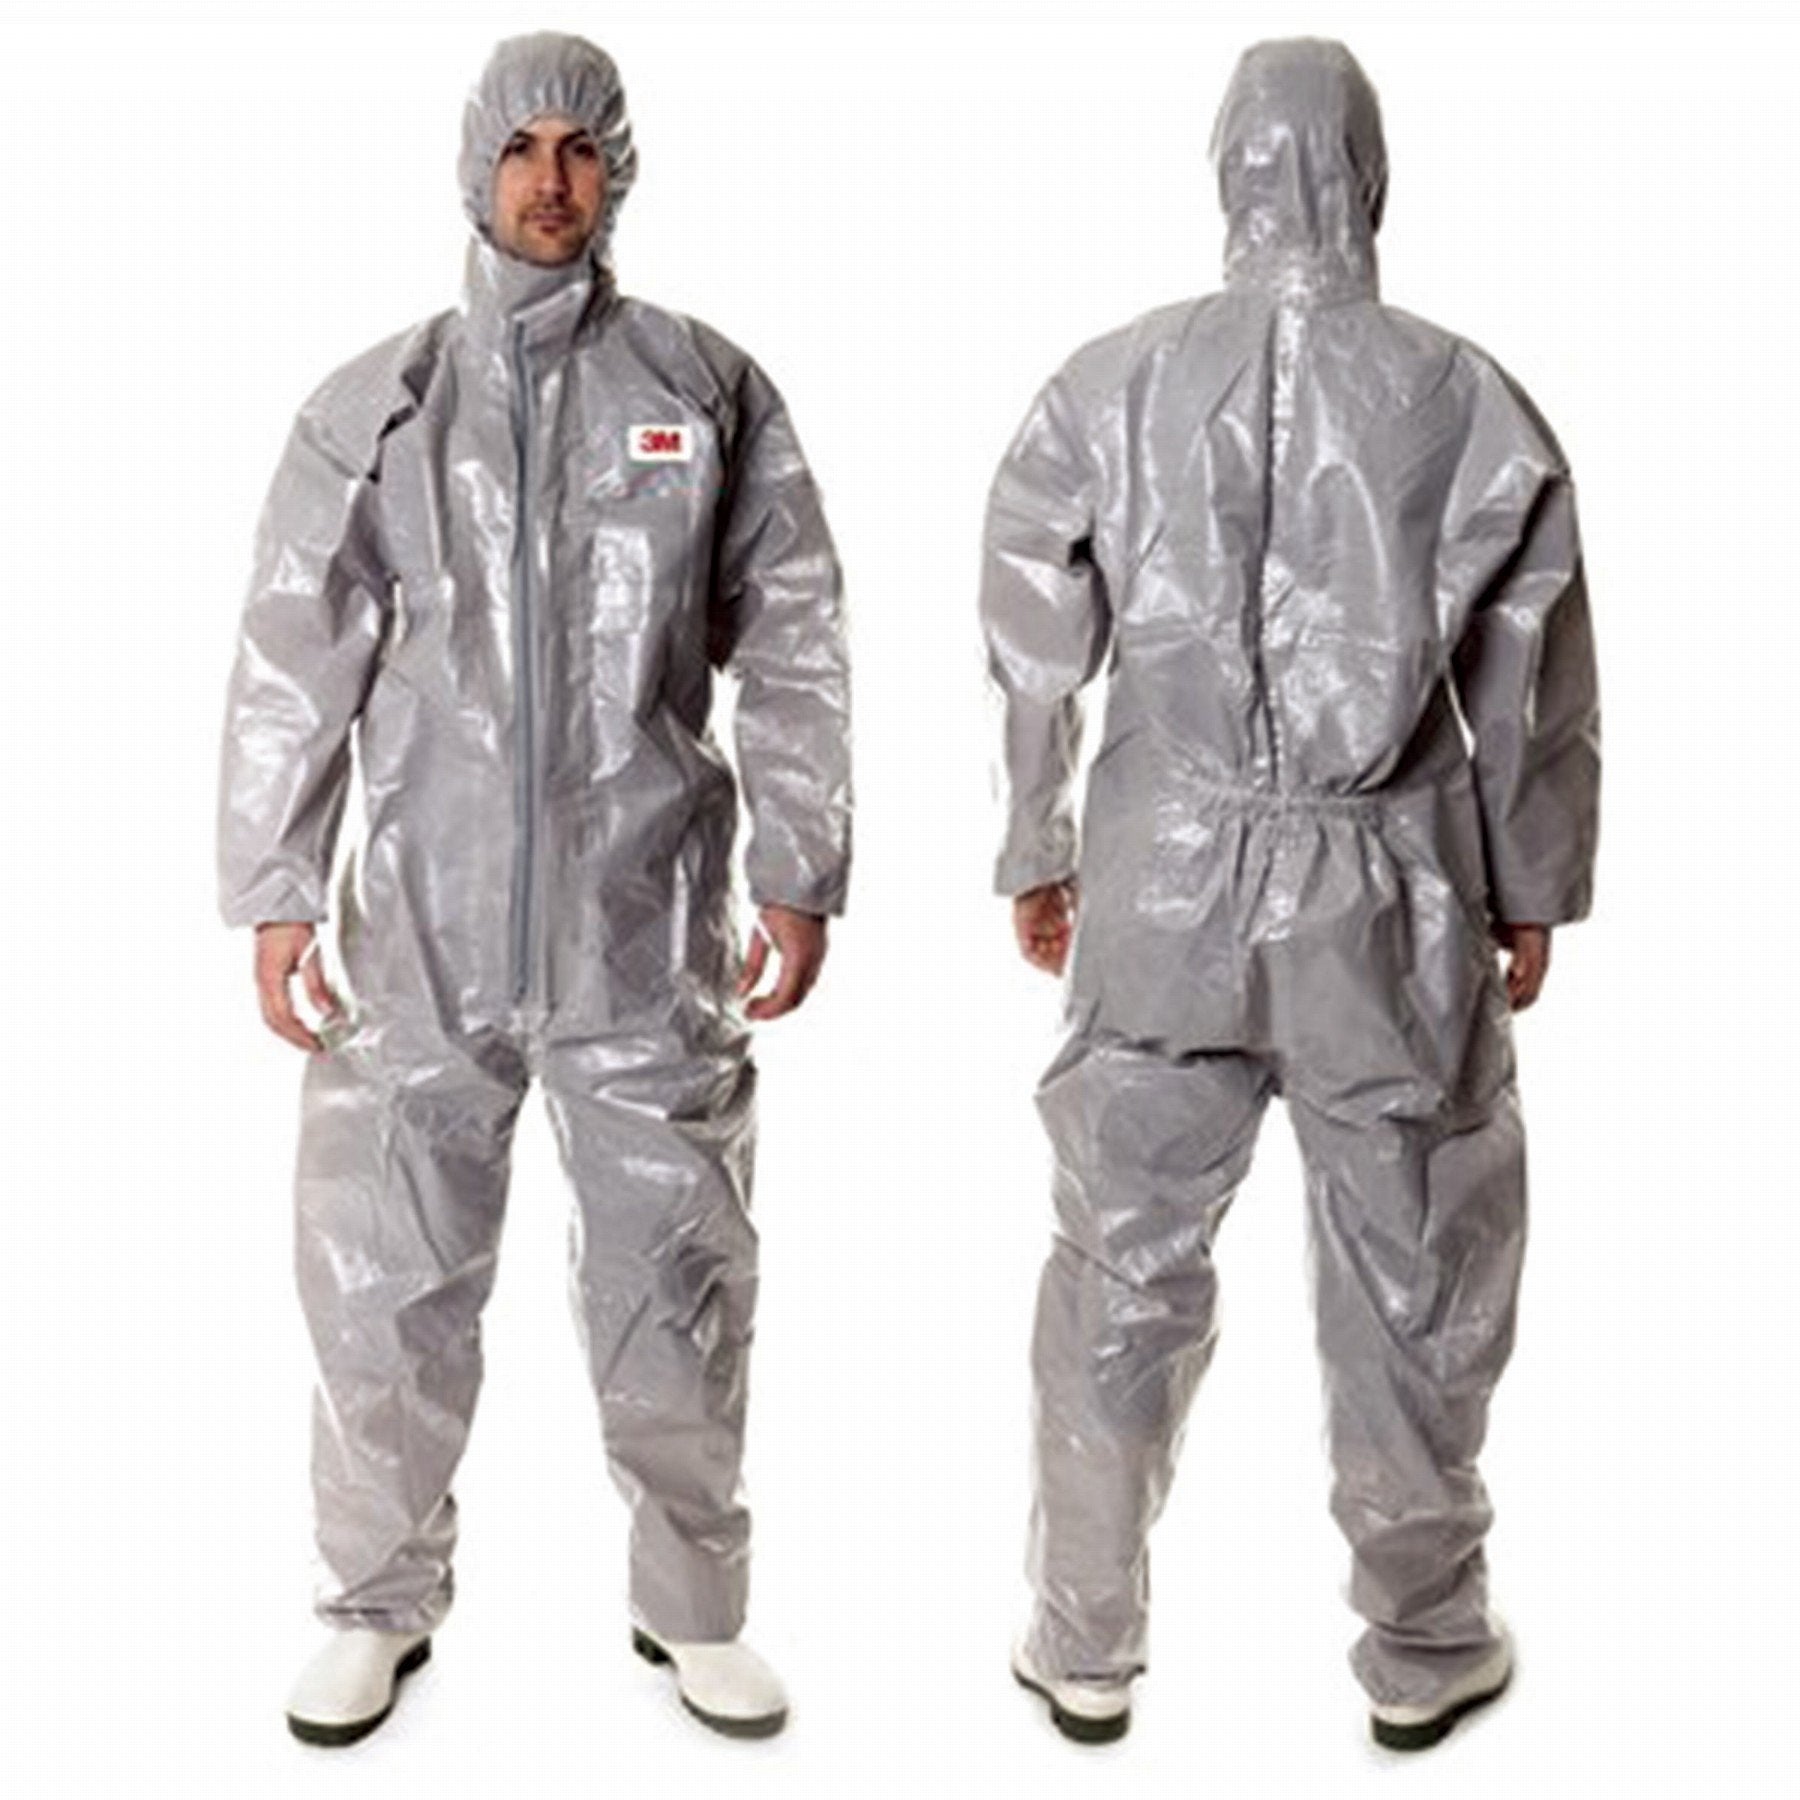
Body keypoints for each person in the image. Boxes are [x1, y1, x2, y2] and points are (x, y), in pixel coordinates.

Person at [217, 31, 851, 1746]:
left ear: (618, 169)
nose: (551, 179)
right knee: (384, 1285)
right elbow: (295, 654)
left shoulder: (704, 391)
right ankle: (375, 1606)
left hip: (645, 931)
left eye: (580, 148)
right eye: (524, 149)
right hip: (421, 933)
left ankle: (693, 1611)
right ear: (476, 168)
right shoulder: (381, 408)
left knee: (678, 1282)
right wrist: (276, 885)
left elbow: (794, 638)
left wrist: (800, 862)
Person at [981, 37, 1599, 1751]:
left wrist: (1038, 842)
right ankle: (1425, 1643)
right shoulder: (1463, 397)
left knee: (1121, 1270)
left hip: (1160, 888)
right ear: (1372, 177)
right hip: (1384, 895)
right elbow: (1529, 676)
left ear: (1228, 173)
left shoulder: (1112, 383)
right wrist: (1529, 880)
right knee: (1414, 1277)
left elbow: (1030, 633)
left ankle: (1080, 1637)